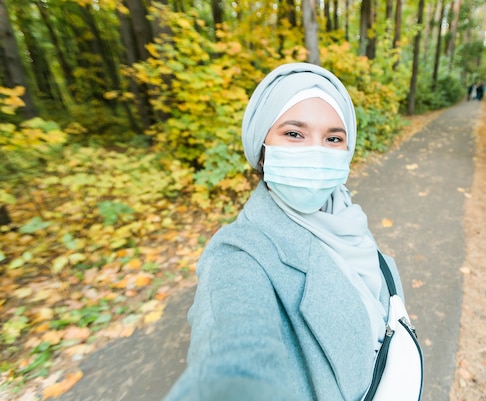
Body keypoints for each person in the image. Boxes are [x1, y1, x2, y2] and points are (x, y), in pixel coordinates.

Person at [163, 63, 417, 401]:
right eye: (294, 134)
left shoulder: (347, 219)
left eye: (333, 138)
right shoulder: (239, 256)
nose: (316, 151)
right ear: (262, 148)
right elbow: (232, 361)